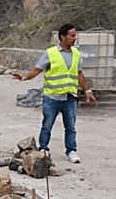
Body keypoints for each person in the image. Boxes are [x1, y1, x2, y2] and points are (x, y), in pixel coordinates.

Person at [11, 22, 97, 164]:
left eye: (75, 35)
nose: (74, 38)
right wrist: (25, 77)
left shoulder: (76, 54)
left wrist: (87, 90)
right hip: (52, 97)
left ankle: (71, 151)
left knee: (70, 126)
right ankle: (44, 148)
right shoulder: (50, 53)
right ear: (62, 37)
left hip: (70, 96)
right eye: (72, 35)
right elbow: (37, 69)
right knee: (47, 125)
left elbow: (79, 74)